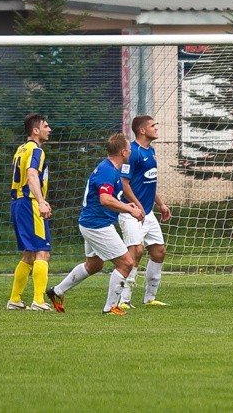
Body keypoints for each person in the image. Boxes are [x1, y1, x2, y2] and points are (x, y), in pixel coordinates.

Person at [46, 133, 144, 315]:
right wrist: (130, 210)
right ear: (123, 152)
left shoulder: (109, 168)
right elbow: (105, 199)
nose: (130, 151)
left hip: (91, 222)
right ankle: (110, 307)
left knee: (94, 265)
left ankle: (56, 291)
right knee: (126, 264)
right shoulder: (108, 170)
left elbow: (109, 199)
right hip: (97, 225)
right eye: (129, 149)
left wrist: (125, 205)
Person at [117, 115, 171, 309]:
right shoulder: (133, 152)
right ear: (142, 130)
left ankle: (149, 298)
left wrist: (161, 204)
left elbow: (150, 181)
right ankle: (123, 299)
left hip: (146, 213)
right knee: (135, 252)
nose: (156, 128)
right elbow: (124, 183)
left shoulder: (151, 151)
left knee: (159, 251)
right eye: (152, 126)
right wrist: (138, 206)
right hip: (131, 212)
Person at [7, 114, 53, 311]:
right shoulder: (36, 150)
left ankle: (15, 299)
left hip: (18, 203)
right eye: (46, 126)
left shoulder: (21, 149)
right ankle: (38, 301)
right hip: (30, 204)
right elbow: (32, 175)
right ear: (36, 130)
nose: (49, 129)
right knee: (42, 252)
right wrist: (41, 201)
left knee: (29, 253)